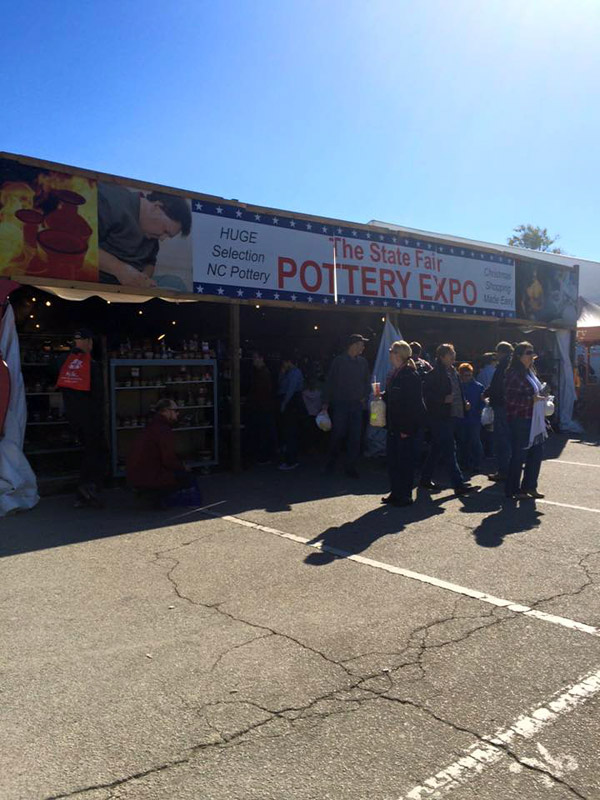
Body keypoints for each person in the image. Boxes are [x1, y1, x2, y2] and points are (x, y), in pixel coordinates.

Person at [98, 183, 192, 289]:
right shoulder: (111, 201)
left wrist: (143, 278)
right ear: (157, 207)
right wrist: (121, 270)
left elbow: (150, 262)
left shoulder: (151, 236)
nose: (162, 238)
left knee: (175, 283)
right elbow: (84, 247)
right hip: (101, 282)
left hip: (133, 287)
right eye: (165, 231)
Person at [420, 343, 477, 496]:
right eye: (450, 354)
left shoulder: (453, 372)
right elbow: (427, 395)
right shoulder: (434, 374)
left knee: (436, 449)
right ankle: (458, 484)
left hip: (453, 414)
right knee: (450, 449)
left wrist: (464, 402)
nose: (453, 356)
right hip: (440, 416)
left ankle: (425, 479)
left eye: (453, 353)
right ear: (442, 356)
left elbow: (458, 391)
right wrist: (442, 399)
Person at [58, 328, 106, 508]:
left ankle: (83, 491)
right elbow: (98, 395)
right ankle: (88, 490)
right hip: (90, 418)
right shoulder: (91, 365)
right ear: (88, 342)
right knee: (94, 453)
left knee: (81, 454)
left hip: (71, 416)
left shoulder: (63, 362)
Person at [127, 398, 200, 506]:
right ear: (166, 411)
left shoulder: (151, 426)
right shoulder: (163, 430)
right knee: (189, 478)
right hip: (152, 475)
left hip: (137, 475)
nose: (178, 414)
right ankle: (169, 499)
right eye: (175, 410)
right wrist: (183, 466)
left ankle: (152, 495)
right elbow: (168, 460)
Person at [381, 341, 426, 507]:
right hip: (394, 424)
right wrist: (383, 395)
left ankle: (405, 495)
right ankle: (395, 492)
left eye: (392, 352)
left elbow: (413, 404)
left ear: (398, 354)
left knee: (405, 462)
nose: (390, 355)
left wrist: (407, 428)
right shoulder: (396, 373)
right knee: (393, 461)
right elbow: (395, 397)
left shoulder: (409, 375)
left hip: (405, 426)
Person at [322, 334, 371, 478]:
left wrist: (364, 396)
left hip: (356, 405)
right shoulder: (339, 361)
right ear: (354, 345)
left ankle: (351, 467)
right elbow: (330, 382)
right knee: (338, 434)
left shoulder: (363, 362)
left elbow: (367, 382)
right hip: (341, 404)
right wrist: (325, 403)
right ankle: (331, 462)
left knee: (355, 437)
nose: (363, 347)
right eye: (362, 344)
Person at [503, 342, 548, 500]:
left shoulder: (530, 371)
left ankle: (530, 486)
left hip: (534, 419)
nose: (531, 355)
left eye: (532, 352)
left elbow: (535, 393)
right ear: (519, 356)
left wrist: (544, 396)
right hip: (520, 419)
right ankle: (513, 489)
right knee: (519, 455)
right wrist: (532, 399)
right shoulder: (513, 373)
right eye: (528, 353)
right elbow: (510, 399)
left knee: (536, 454)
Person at [485, 341, 514, 482]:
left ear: (501, 352)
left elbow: (497, 385)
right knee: (509, 439)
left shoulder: (503, 365)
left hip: (502, 406)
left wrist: (487, 393)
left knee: (501, 440)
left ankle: (503, 471)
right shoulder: (514, 364)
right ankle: (510, 469)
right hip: (510, 407)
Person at [247, 351, 277, 465]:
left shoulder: (263, 373)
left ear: (261, 358)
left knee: (264, 431)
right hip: (264, 406)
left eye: (255, 358)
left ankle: (265, 456)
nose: (253, 360)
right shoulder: (261, 373)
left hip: (264, 407)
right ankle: (265, 455)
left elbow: (263, 391)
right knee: (264, 431)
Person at [457, 363, 485, 475]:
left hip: (474, 418)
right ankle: (464, 463)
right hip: (461, 419)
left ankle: (477, 464)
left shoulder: (478, 387)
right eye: (465, 375)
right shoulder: (458, 387)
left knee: (475, 441)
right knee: (462, 442)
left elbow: (483, 402)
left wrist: (477, 410)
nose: (467, 377)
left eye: (469, 375)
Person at [278, 354, 304, 470]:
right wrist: (282, 373)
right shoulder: (288, 372)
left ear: (288, 361)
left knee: (290, 432)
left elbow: (290, 390)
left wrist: (284, 403)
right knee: (288, 432)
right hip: (290, 403)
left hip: (292, 404)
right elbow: (281, 385)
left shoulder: (295, 373)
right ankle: (290, 458)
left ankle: (291, 460)